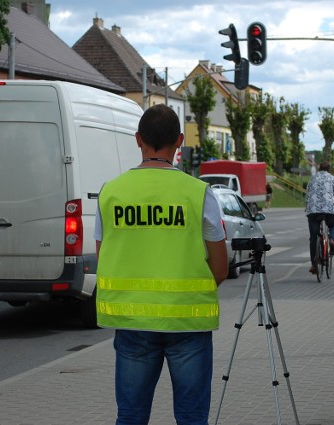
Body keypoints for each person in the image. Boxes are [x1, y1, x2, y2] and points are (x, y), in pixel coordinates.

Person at [94, 104, 228, 425]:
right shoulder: (199, 193)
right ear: (179, 141)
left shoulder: (110, 193)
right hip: (188, 324)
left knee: (131, 416)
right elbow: (220, 268)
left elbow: (104, 256)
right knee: (192, 418)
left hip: (132, 323)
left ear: (138, 139)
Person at [305, 161, 334, 275]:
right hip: (329, 209)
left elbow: (307, 194)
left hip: (313, 210)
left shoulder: (312, 178)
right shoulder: (332, 179)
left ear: (319, 169)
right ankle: (331, 240)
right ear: (329, 169)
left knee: (313, 237)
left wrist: (307, 207)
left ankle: (313, 264)